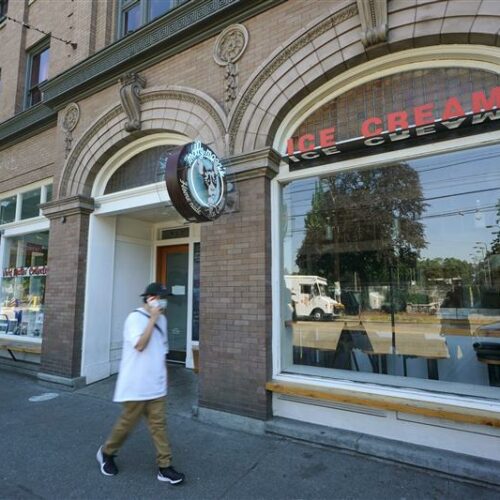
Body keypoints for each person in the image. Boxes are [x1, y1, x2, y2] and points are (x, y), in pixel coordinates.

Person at [96, 282, 185, 485]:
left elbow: (161, 351)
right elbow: (140, 345)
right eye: (160, 297)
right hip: (135, 384)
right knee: (126, 425)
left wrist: (164, 378)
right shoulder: (134, 318)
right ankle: (106, 453)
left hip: (156, 385)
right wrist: (152, 319)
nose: (164, 302)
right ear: (150, 298)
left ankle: (165, 467)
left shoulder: (162, 319)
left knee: (159, 426)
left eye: (165, 298)